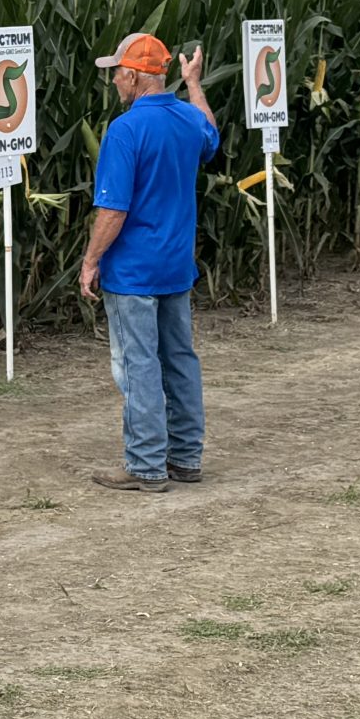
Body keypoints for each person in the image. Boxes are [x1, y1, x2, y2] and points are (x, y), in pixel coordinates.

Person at [77, 32, 218, 493]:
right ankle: (185, 457)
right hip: (176, 265)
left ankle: (145, 464)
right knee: (179, 360)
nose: (114, 81)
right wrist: (193, 83)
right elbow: (210, 136)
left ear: (133, 76)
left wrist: (91, 261)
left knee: (138, 364)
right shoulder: (185, 118)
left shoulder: (125, 130)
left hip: (134, 270)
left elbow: (113, 210)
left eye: (116, 73)